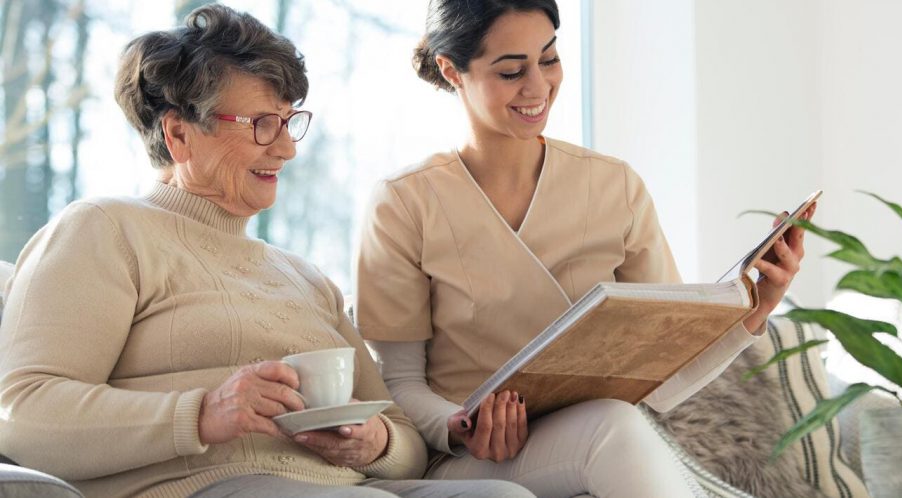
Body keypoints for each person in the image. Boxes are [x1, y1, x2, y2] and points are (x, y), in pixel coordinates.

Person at [0, 5, 533, 498]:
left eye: (289, 121)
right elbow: (21, 414)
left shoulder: (304, 277)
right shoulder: (105, 230)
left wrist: (375, 444)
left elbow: (404, 438)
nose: (286, 148)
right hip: (207, 483)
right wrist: (203, 414)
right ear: (180, 134)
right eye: (261, 125)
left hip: (342, 486)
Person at [354, 1, 815, 497]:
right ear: (452, 70)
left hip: (605, 434)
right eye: (512, 71)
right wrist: (460, 425)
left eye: (549, 60)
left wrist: (758, 302)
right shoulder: (404, 202)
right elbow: (398, 384)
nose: (538, 87)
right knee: (611, 426)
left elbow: (669, 374)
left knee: (613, 420)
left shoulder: (615, 186)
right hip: (472, 462)